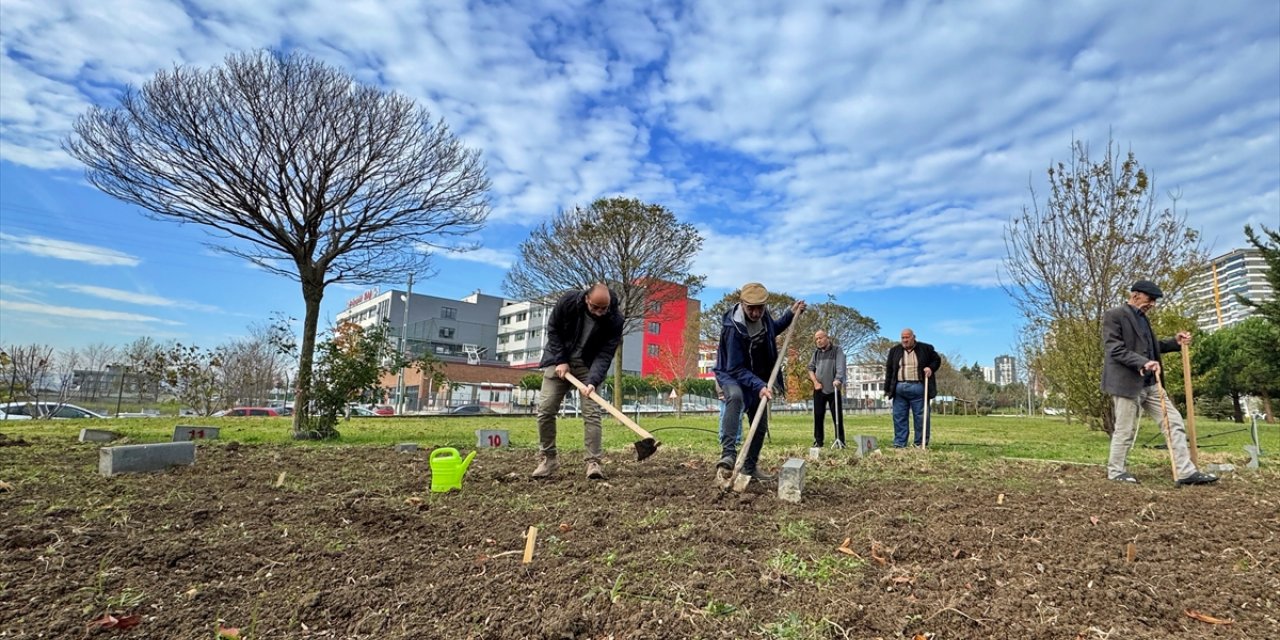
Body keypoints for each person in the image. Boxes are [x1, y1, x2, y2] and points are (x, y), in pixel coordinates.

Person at [1102, 280, 1217, 486]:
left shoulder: (1144, 319)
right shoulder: (1115, 315)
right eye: (1150, 299)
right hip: (1127, 384)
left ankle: (1185, 472)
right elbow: (1115, 349)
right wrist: (1144, 362)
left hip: (1152, 385)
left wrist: (1175, 342)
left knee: (1173, 423)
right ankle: (1116, 471)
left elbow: (1151, 347)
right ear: (1136, 295)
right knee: (1125, 430)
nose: (1153, 304)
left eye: (1154, 300)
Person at [713, 282, 805, 480]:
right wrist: (759, 385)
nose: (755, 313)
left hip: (758, 375)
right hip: (732, 373)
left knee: (760, 422)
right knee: (736, 398)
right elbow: (735, 367)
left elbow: (774, 329)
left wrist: (791, 313)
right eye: (751, 308)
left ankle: (749, 468)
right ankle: (728, 455)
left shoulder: (764, 317)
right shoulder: (733, 328)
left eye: (760, 308)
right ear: (742, 303)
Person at [533, 283, 625, 480]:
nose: (599, 313)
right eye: (595, 308)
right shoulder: (568, 302)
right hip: (559, 361)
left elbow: (606, 353)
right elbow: (553, 330)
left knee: (592, 413)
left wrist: (593, 380)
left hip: (588, 366)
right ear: (586, 299)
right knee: (545, 410)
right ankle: (548, 459)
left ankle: (593, 462)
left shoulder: (615, 319)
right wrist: (560, 360)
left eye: (604, 309)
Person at [883, 328, 941, 448]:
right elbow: (889, 369)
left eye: (907, 337)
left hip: (918, 388)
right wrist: (887, 389)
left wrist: (930, 368)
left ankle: (920, 443)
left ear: (913, 337)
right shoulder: (894, 351)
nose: (905, 340)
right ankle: (900, 443)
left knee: (921, 417)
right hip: (899, 388)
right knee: (899, 417)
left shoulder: (926, 348)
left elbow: (937, 360)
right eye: (903, 338)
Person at [808, 330, 847, 448]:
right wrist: (815, 382)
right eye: (816, 339)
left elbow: (841, 366)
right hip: (819, 389)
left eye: (820, 338)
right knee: (818, 416)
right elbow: (810, 369)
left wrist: (838, 379)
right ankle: (818, 441)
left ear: (827, 338)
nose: (818, 341)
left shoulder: (837, 350)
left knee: (837, 416)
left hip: (833, 389)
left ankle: (840, 440)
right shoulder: (816, 353)